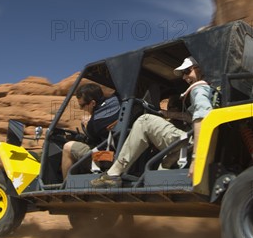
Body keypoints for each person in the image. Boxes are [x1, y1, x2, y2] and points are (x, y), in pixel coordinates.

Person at [90, 56, 213, 188]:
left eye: (187, 72)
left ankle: (114, 173)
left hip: (190, 141)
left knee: (144, 120)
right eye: (183, 74)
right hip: (191, 140)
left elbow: (203, 119)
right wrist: (169, 114)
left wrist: (197, 159)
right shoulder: (209, 89)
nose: (184, 77)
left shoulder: (198, 89)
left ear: (198, 69)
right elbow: (195, 117)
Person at [61, 83, 120, 178]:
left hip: (109, 157)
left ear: (93, 103)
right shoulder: (116, 100)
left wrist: (87, 124)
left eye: (82, 105)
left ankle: (66, 187)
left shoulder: (95, 122)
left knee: (68, 147)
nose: (81, 109)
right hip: (122, 151)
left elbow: (92, 140)